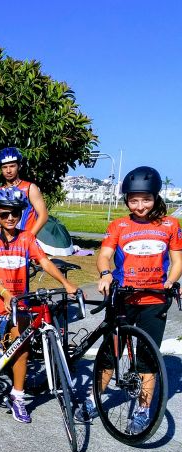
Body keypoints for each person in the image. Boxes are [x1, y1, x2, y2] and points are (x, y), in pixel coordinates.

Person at [74, 166, 182, 433]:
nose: (140, 205)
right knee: (110, 354)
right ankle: (92, 400)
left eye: (146, 199)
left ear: (156, 197)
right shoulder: (119, 225)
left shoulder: (170, 225)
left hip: (155, 299)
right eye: (134, 200)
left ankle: (143, 410)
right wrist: (105, 273)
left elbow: (178, 260)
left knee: (147, 358)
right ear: (126, 200)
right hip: (122, 297)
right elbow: (104, 255)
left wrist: (170, 281)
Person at [0, 186, 77, 423]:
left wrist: (66, 283)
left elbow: (44, 262)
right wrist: (5, 294)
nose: (10, 218)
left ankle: (17, 397)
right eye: (5, 214)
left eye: (15, 213)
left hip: (20, 304)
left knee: (22, 352)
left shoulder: (26, 237)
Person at [0, 147, 48, 236]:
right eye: (4, 167)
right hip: (5, 242)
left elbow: (43, 216)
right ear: (1, 169)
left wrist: (29, 238)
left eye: (12, 166)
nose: (8, 171)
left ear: (19, 166)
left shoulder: (30, 188)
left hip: (26, 240)